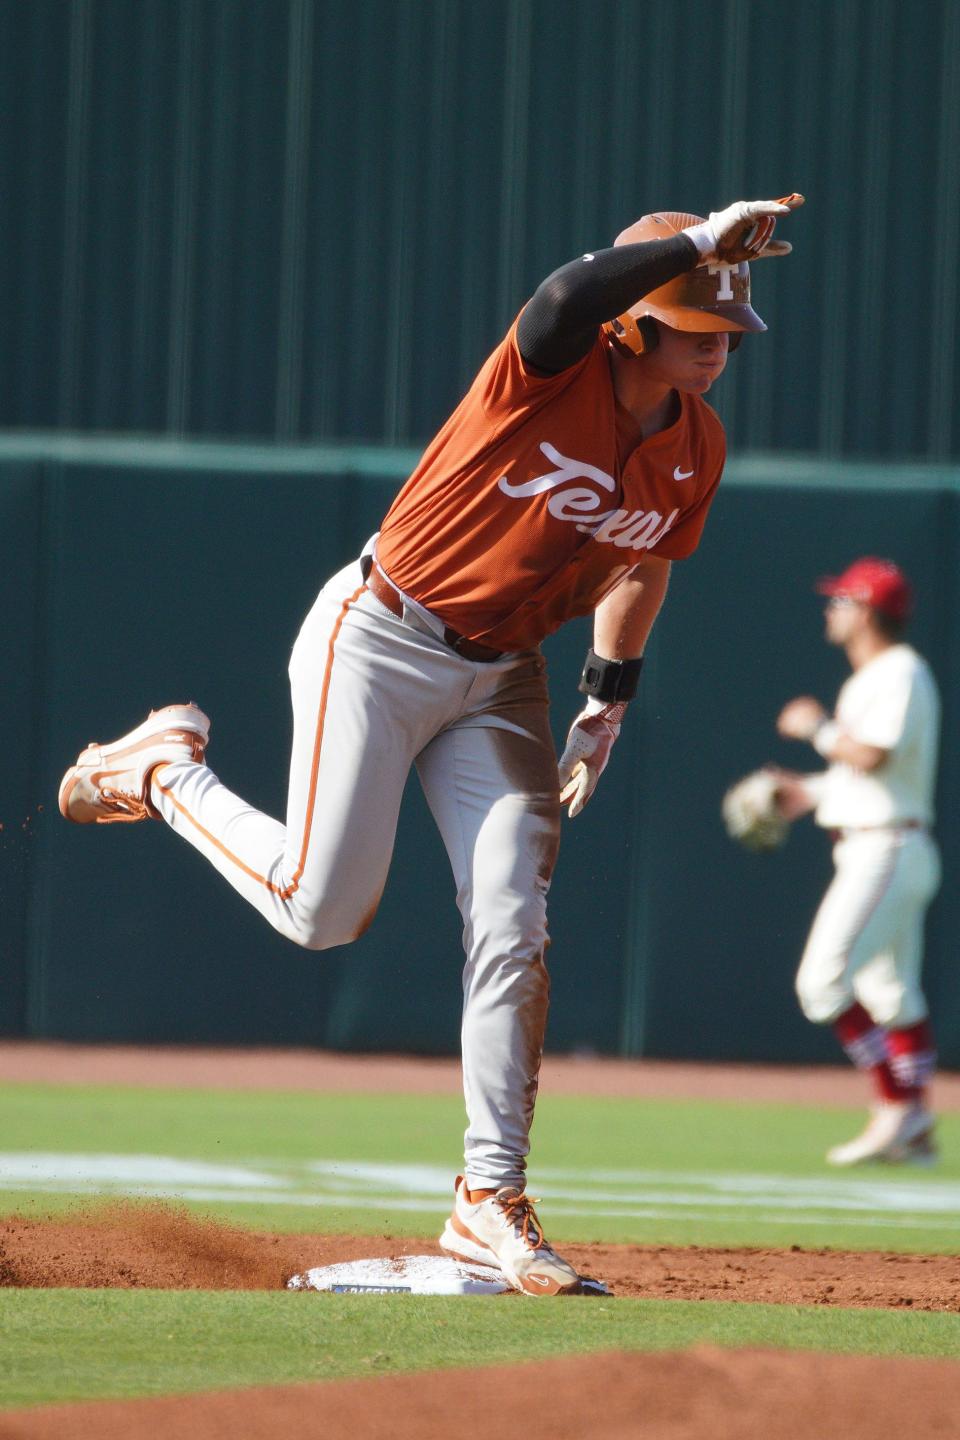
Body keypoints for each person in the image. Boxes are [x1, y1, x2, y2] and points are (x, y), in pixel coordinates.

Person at [59, 193, 802, 1293]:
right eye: (698, 329)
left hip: (504, 679)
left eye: (727, 334)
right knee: (324, 913)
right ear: (635, 322)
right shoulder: (546, 372)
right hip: (383, 636)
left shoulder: (699, 446)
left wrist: (608, 699)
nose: (718, 352)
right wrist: (689, 244)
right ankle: (163, 768)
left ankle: (486, 1201)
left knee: (515, 915)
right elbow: (561, 297)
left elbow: (644, 558)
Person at [774, 558, 941, 1166]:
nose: (830, 610)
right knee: (891, 992)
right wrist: (807, 793)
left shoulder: (897, 671)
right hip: (886, 839)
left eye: (839, 600)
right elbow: (865, 771)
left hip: (885, 849)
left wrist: (815, 727)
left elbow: (871, 755)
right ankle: (916, 1127)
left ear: (866, 609)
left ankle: (897, 1107)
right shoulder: (877, 676)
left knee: (821, 984)